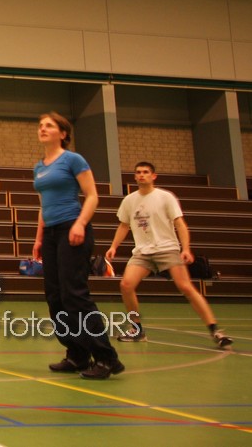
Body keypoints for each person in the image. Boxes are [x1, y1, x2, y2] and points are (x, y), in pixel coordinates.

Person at [31, 111, 123, 380]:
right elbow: (43, 205)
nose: (42, 128)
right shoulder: (39, 167)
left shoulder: (73, 159)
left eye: (49, 125)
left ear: (63, 133)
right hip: (51, 234)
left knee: (74, 295)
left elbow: (92, 196)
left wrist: (80, 224)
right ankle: (77, 353)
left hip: (72, 229)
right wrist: (38, 238)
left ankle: (106, 357)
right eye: (40, 125)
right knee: (55, 297)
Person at [105, 161, 233, 349]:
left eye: (146, 172)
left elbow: (180, 224)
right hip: (142, 252)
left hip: (167, 249)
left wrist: (186, 249)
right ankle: (137, 329)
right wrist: (113, 246)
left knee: (186, 287)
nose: (141, 175)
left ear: (153, 176)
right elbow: (124, 225)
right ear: (135, 176)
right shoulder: (129, 201)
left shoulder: (165, 197)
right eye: (138, 172)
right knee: (126, 285)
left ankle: (215, 330)